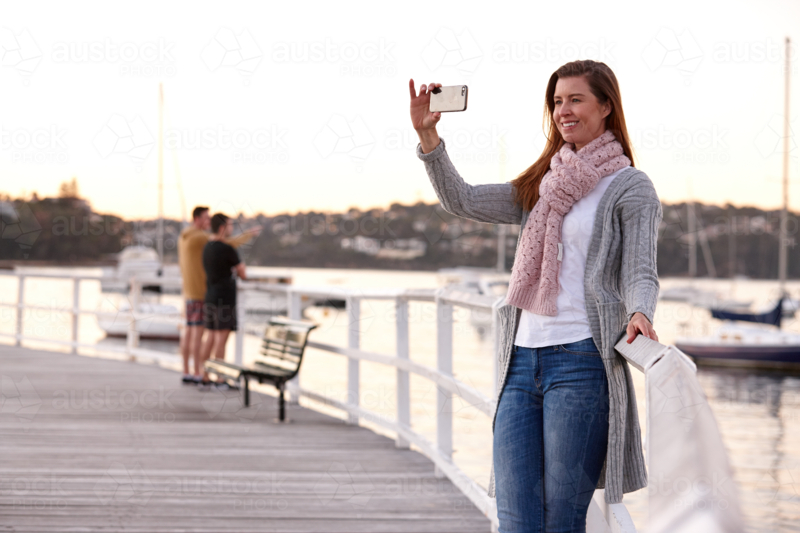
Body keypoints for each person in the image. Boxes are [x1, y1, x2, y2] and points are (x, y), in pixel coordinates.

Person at [409, 60, 661, 532]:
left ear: (606, 106)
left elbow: (640, 271)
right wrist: (428, 136)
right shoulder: (542, 184)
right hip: (520, 362)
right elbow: (461, 199)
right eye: (557, 101)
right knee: (514, 519)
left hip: (581, 363)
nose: (563, 110)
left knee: (561, 519)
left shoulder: (630, 186)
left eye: (576, 99)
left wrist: (640, 311)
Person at [177, 206, 259, 384]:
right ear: (197, 219)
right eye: (205, 218)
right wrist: (249, 235)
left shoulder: (185, 237)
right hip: (205, 293)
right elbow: (229, 244)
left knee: (192, 333)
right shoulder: (201, 238)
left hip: (195, 293)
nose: (208, 222)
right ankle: (206, 375)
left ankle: (191, 372)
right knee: (205, 337)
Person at [198, 213, 248, 389]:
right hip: (225, 299)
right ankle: (220, 379)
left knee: (210, 337)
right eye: (230, 225)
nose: (232, 228)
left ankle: (204, 376)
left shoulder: (207, 248)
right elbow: (243, 273)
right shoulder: (227, 249)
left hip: (210, 297)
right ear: (222, 228)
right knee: (221, 340)